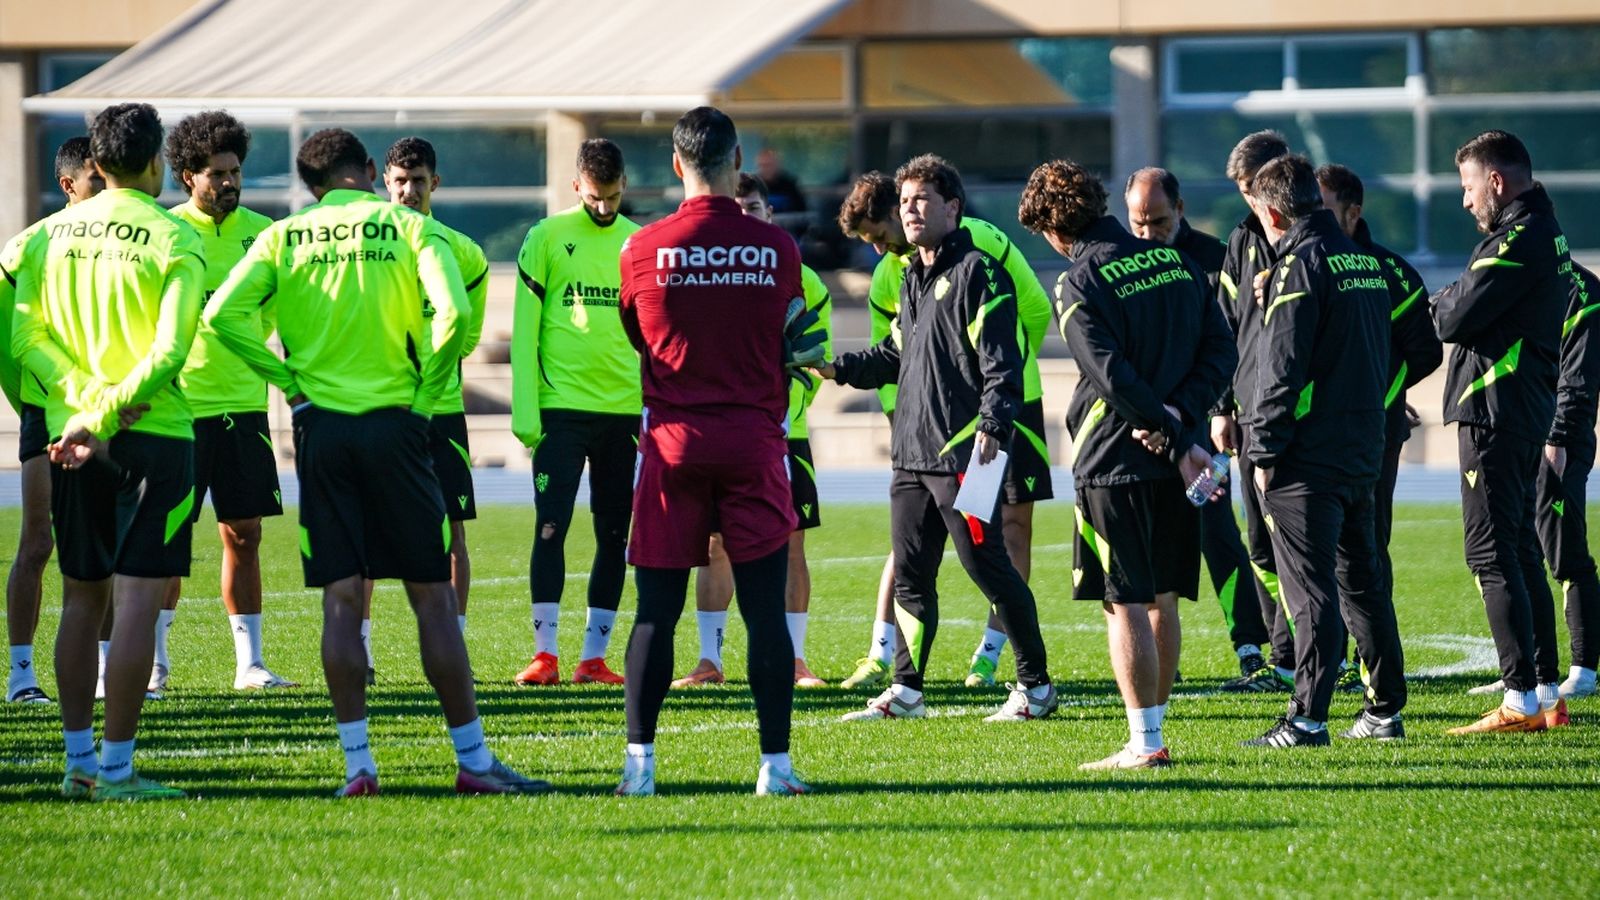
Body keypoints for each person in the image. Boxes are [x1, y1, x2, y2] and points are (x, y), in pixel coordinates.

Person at [205, 127, 546, 795]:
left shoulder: (282, 237)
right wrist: (423, 396)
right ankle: (474, 761)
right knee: (431, 597)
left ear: (310, 185)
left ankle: (359, 766)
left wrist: (290, 385)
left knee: (341, 599)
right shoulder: (409, 228)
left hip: (321, 431)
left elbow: (221, 315)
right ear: (369, 169)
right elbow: (454, 316)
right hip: (398, 424)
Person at [820, 154, 1058, 725]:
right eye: (904, 201)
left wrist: (994, 427)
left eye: (922, 199)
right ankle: (906, 691)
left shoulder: (980, 272)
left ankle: (1036, 687)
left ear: (953, 207)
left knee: (987, 566)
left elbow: (1003, 364)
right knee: (910, 571)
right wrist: (835, 368)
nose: (910, 210)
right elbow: (895, 353)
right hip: (912, 455)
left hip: (966, 452)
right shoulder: (910, 277)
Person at [12, 103, 203, 800]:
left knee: (80, 599)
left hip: (70, 439)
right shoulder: (176, 236)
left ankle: (78, 764)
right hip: (153, 434)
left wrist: (83, 407)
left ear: (95, 163)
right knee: (139, 601)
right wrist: (111, 409)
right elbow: (171, 350)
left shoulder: (45, 236)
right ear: (156, 162)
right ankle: (118, 769)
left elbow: (25, 340)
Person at [614, 107, 807, 797]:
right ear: (738, 158)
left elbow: (638, 335)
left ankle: (639, 767)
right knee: (764, 613)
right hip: (753, 443)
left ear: (676, 164)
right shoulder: (778, 249)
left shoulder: (640, 249)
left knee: (655, 612)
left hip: (672, 446)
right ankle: (775, 767)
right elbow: (791, 339)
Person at [1023, 160, 1234, 768]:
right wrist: (1183, 424)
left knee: (1125, 600)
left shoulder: (1080, 279)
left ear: (1053, 230)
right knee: (1163, 596)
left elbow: (1108, 374)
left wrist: (1166, 427)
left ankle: (1144, 742)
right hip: (1178, 456)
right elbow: (1223, 351)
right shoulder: (1178, 263)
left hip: (1113, 457)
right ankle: (1154, 732)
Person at [1239, 154, 1406, 747]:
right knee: (1364, 585)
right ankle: (1384, 712)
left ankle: (1307, 718)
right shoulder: (1363, 260)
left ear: (1273, 213)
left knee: (1310, 592)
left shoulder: (1299, 264)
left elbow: (1281, 370)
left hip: (1307, 457)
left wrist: (1263, 452)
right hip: (1362, 448)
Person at [1431, 131, 1571, 734]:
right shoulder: (1541, 230)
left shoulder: (1520, 237)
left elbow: (1451, 316)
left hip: (1496, 409)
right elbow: (1465, 300)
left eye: (1468, 186)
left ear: (1495, 181)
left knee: (1491, 553)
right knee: (1518, 550)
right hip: (1518, 407)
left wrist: (1444, 300)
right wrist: (1456, 295)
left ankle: (1519, 698)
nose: (1465, 201)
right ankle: (1545, 693)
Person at [673, 172, 832, 689]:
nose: (747, 218)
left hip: (784, 434)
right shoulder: (708, 274)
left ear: (770, 213)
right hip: (721, 430)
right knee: (715, 544)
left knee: (791, 544)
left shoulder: (804, 280)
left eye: (756, 209)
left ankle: (795, 659)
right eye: (737, 209)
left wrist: (780, 414)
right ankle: (709, 660)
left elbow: (814, 361)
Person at [160, 110, 296, 694]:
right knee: (166, 540)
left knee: (245, 534)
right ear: (188, 176)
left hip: (244, 407)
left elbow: (278, 316)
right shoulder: (166, 232)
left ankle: (250, 664)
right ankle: (155, 665)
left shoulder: (265, 234)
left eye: (235, 171)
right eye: (217, 173)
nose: (229, 182)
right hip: (179, 409)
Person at [1124, 166, 1272, 680]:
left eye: (1158, 222)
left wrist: (1219, 409)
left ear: (1180, 209)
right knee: (1147, 542)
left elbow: (1230, 342)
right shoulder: (1124, 264)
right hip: (1146, 426)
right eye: (1139, 223)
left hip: (1204, 421)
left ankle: (1250, 642)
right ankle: (1158, 658)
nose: (1148, 234)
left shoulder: (1213, 258)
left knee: (1218, 532)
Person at [511, 138, 640, 687]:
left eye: (611, 197)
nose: (603, 208)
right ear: (575, 187)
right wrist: (525, 411)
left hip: (623, 412)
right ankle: (545, 655)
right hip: (559, 411)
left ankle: (593, 658)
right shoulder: (545, 236)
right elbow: (524, 329)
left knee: (613, 536)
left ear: (624, 186)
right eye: (593, 197)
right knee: (550, 527)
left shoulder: (639, 243)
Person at [1314, 164, 1443, 687]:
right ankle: (1325, 660)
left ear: (1353, 212)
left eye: (1323, 209)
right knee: (1314, 554)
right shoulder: (1305, 263)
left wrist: (1379, 397)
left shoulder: (1391, 272)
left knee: (1366, 549)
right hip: (1314, 435)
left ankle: (1371, 667)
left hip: (1373, 436)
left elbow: (1426, 352)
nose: (1312, 218)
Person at [375, 136, 490, 682]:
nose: (408, 190)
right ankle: (363, 653)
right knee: (369, 534)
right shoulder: (369, 246)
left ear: (434, 184)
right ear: (385, 182)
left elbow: (466, 339)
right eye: (399, 181)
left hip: (441, 411)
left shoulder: (463, 252)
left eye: (418, 180)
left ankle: (456, 645)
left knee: (453, 532)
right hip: (381, 410)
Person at [1, 136, 103, 705]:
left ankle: (108, 668)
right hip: (47, 411)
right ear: (68, 185)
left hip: (107, 409)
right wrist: (30, 407)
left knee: (104, 545)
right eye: (95, 179)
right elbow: (6, 343)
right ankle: (21, 673)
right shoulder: (26, 247)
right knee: (38, 542)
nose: (106, 188)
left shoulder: (125, 238)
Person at [1212, 131, 1299, 694]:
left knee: (1309, 544)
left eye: (1253, 187)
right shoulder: (1243, 239)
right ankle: (1287, 659)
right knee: (1261, 544)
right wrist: (1221, 406)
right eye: (1241, 190)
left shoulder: (1313, 238)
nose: (1248, 199)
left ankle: (1327, 657)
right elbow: (1225, 328)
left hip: (1300, 418)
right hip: (1249, 416)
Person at [1539, 260, 1600, 700]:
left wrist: (1557, 436)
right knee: (1513, 553)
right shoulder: (1521, 268)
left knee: (1566, 552)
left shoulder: (1581, 288)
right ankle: (1528, 669)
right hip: (1519, 431)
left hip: (1559, 441)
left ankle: (1584, 670)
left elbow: (1579, 376)